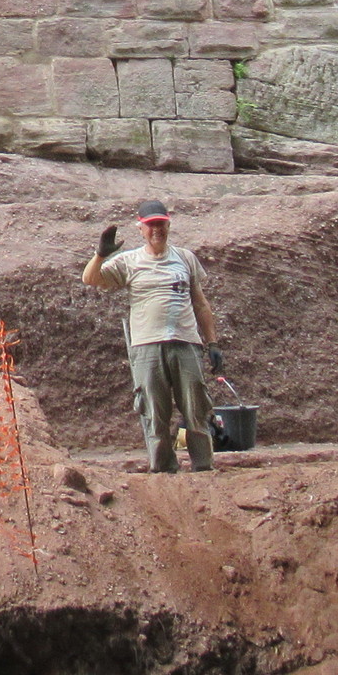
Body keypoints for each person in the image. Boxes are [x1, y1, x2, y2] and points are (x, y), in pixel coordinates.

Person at [82, 199, 223, 473]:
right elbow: (90, 278)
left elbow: (200, 303)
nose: (156, 229)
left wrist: (213, 342)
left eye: (161, 224)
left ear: (168, 225)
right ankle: (163, 469)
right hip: (147, 346)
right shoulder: (129, 261)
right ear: (141, 228)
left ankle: (203, 467)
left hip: (186, 342)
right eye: (150, 225)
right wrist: (100, 255)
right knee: (155, 411)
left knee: (195, 406)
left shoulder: (185, 258)